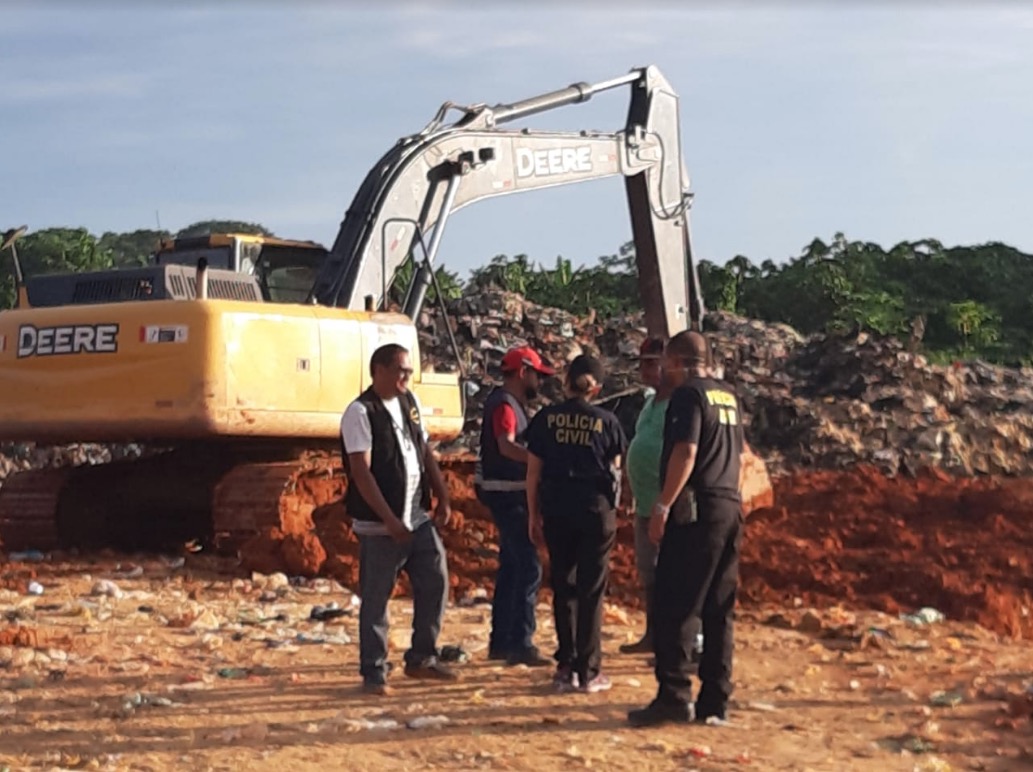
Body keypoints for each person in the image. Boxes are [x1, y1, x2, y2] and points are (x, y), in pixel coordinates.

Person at [628, 330, 748, 728]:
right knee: (718, 609)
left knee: (675, 604)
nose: (662, 370)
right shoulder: (727, 396)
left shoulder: (688, 395)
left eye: (665, 362)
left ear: (676, 361)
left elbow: (687, 450)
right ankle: (715, 699)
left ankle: (674, 696)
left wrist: (663, 505)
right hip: (730, 504)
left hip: (696, 509)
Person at [341, 342, 459, 695]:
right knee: (377, 597)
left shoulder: (409, 403)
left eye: (409, 371)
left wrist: (443, 495)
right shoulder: (361, 413)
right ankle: (374, 671)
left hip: (417, 517)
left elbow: (424, 451)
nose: (406, 377)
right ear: (378, 370)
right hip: (380, 527)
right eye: (400, 370)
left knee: (435, 579)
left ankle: (423, 656)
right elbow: (362, 472)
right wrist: (389, 519)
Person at [525, 355, 628, 694]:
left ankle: (566, 666)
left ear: (565, 382)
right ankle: (589, 670)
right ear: (596, 388)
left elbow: (533, 473)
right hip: (595, 512)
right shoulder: (608, 422)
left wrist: (532, 514)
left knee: (563, 587)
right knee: (591, 590)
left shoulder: (546, 419)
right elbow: (615, 472)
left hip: (556, 510)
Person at [475, 346, 554, 666]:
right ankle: (520, 642)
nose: (540, 382)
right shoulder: (505, 405)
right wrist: (541, 462)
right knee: (528, 565)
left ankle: (501, 641)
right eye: (537, 375)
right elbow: (506, 446)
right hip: (506, 493)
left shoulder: (509, 403)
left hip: (504, 491)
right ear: (523, 372)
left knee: (511, 565)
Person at [619, 337, 674, 656]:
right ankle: (653, 635)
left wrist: (665, 502)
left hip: (666, 505)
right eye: (643, 363)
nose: (645, 370)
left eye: (652, 363)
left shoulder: (679, 405)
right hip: (644, 503)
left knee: (672, 574)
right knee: (650, 574)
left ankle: (674, 642)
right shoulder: (650, 403)